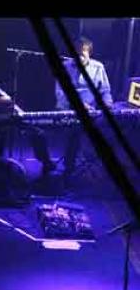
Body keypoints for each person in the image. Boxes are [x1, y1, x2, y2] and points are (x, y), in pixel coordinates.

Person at [29, 36, 114, 184]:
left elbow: (105, 90)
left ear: (89, 53)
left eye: (82, 54)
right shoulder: (65, 67)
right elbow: (60, 93)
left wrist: (107, 104)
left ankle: (68, 172)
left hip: (89, 115)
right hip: (65, 110)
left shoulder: (98, 67)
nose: (78, 57)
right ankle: (47, 162)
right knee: (34, 128)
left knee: (76, 132)